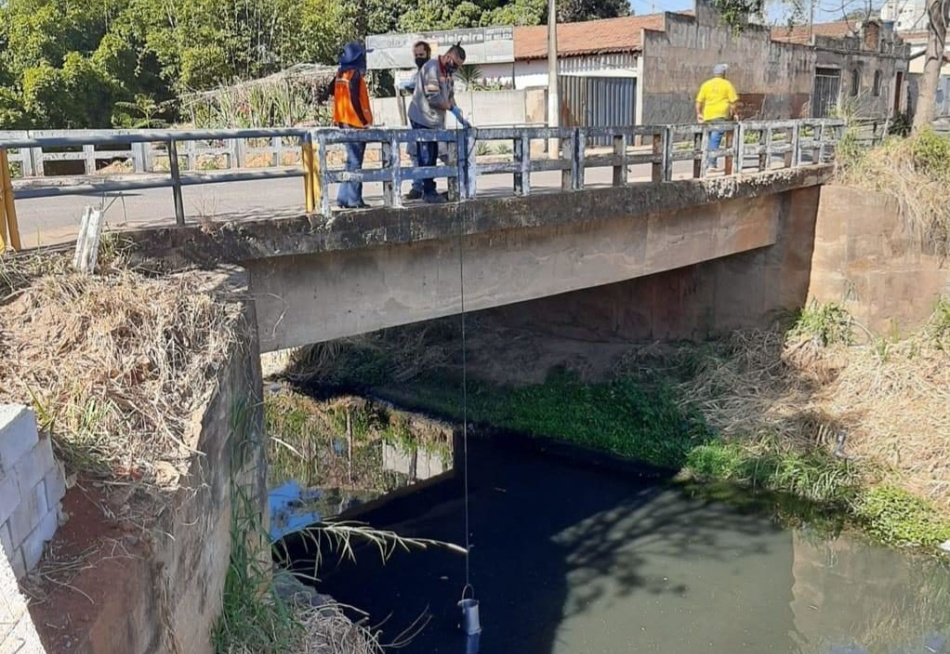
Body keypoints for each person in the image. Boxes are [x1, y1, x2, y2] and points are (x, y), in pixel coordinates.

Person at [407, 43, 470, 204]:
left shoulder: (447, 73)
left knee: (432, 155)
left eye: (458, 66)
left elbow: (450, 96)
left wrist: (458, 114)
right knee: (426, 156)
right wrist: (451, 108)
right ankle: (428, 192)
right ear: (448, 57)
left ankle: (429, 190)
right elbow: (433, 98)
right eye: (454, 64)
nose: (455, 68)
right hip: (422, 117)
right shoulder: (432, 68)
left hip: (434, 121)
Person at [333, 41, 373, 209]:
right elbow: (355, 101)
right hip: (355, 124)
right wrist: (364, 121)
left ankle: (343, 198)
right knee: (355, 164)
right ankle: (354, 200)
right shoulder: (355, 75)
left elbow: (330, 91)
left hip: (343, 122)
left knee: (350, 162)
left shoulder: (340, 73)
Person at [397, 41, 432, 201]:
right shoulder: (417, 73)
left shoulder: (432, 72)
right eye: (416, 55)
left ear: (428, 54)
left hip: (430, 120)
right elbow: (410, 85)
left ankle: (457, 184)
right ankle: (418, 187)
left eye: (421, 55)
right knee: (415, 153)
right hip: (416, 120)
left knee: (441, 154)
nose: (418, 58)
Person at [695, 63, 738, 171]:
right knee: (715, 137)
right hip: (721, 115)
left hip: (708, 115)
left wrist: (699, 113)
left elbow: (699, 101)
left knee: (709, 138)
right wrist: (735, 113)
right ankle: (711, 164)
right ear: (723, 73)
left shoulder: (706, 84)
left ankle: (706, 162)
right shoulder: (727, 84)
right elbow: (733, 102)